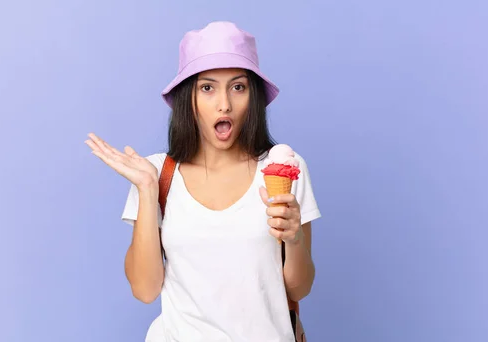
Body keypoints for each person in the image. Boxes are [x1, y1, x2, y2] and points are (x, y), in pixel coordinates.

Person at [85, 21, 321, 342]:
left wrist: (293, 240)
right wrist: (146, 189)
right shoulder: (157, 174)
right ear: (189, 100)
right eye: (207, 88)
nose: (224, 103)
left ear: (253, 97)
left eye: (238, 87)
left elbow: (299, 287)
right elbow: (144, 289)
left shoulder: (283, 167)